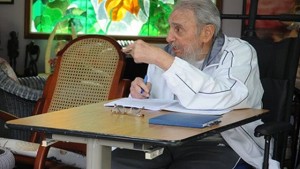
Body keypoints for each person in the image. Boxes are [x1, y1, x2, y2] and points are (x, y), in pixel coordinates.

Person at [113, 0, 279, 168]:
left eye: (178, 29)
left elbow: (223, 98)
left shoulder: (239, 52)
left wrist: (162, 60)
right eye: (170, 28)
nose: (169, 37)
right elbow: (154, 105)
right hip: (163, 139)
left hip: (219, 142)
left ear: (206, 33)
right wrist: (138, 95)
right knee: (112, 162)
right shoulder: (167, 55)